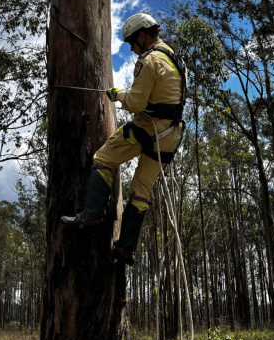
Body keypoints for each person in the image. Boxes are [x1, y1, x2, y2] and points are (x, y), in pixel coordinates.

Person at [61, 13, 186, 265]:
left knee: (103, 159)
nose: (131, 47)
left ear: (142, 35)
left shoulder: (148, 61)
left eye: (131, 41)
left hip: (148, 128)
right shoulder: (175, 59)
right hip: (171, 135)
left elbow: (138, 103)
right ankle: (125, 248)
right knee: (141, 190)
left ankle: (91, 216)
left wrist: (118, 95)